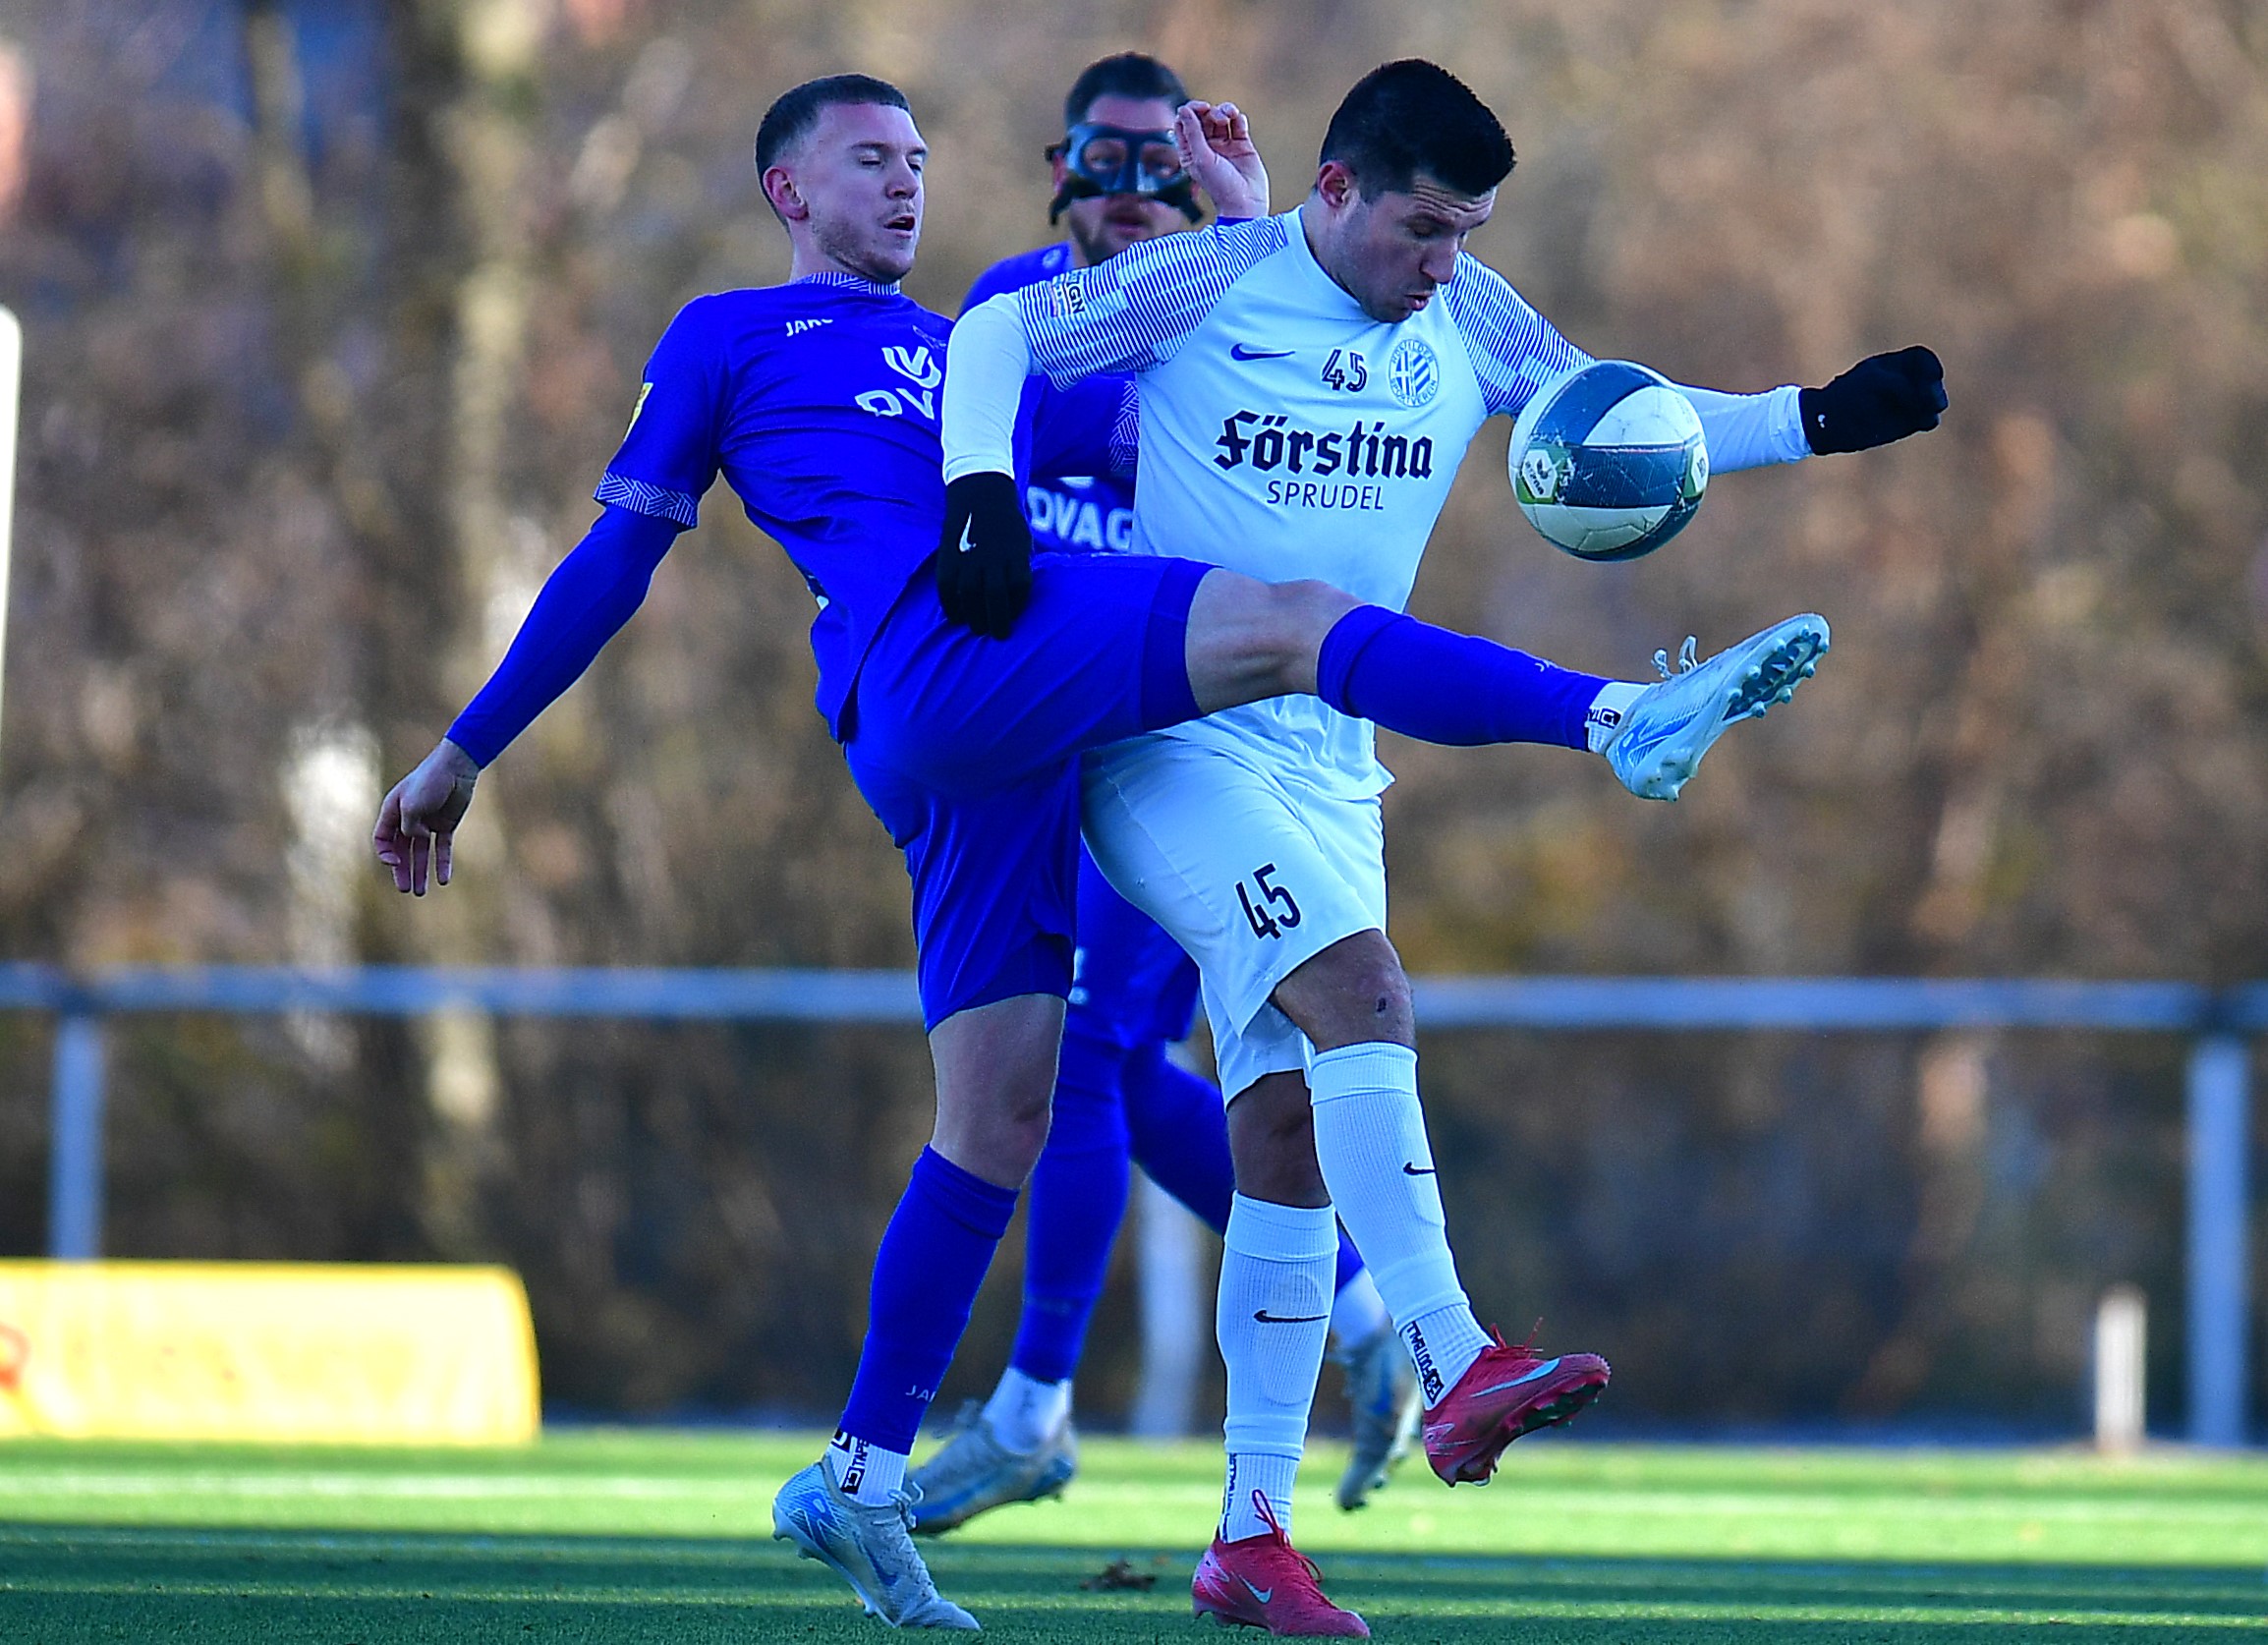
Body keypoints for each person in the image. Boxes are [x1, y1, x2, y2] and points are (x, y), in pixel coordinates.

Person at [374, 72, 1843, 1632]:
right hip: (943, 655)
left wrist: (1258, 227)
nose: (906, 182)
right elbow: (615, 559)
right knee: (1297, 627)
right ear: (786, 189)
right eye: (868, 160)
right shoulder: (731, 337)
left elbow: (1226, 387)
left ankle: (864, 1472)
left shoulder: (966, 338)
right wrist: (465, 750)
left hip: (1017, 733)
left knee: (1004, 1114)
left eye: (918, 157)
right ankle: (1618, 720)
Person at [942, 58, 1944, 1636]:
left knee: (1282, 1131)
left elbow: (1626, 423)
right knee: (1368, 996)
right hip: (1173, 738)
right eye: (1423, 228)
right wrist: (980, 489)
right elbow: (998, 334)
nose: (1445, 263)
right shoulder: (1212, 274)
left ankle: (1250, 1536)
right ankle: (1454, 1350)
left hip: (1338, 763)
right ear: (1335, 190)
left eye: (1468, 232)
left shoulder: (1464, 311)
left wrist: (1818, 420)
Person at [907, 50, 1416, 1541]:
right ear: (1060, 163)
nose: (1131, 187)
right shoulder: (1010, 309)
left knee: (1086, 1054)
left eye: (1160, 159)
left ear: (1198, 176)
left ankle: (1034, 1408)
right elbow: (961, 479)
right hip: (1034, 744)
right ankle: (1366, 1308)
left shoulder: (1217, 304)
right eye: (1105, 154)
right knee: (1108, 1074)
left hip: (1179, 739)